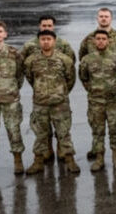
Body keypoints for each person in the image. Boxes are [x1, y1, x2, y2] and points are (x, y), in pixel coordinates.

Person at [23, 30, 77, 174]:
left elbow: (70, 78)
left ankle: (70, 160)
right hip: (40, 104)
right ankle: (38, 162)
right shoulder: (31, 60)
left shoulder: (65, 59)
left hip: (60, 104)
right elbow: (30, 78)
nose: (45, 42)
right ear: (39, 41)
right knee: (40, 134)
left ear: (54, 41)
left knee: (64, 133)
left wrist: (61, 92)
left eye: (48, 39)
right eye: (43, 39)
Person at [78, 30, 116, 171]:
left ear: (108, 41)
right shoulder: (87, 59)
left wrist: (114, 91)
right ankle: (99, 158)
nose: (100, 41)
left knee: (115, 129)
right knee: (98, 131)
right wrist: (93, 90)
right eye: (98, 39)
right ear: (94, 41)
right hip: (96, 102)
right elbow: (84, 77)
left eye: (103, 38)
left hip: (114, 102)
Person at [0, 21, 26, 174]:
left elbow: (20, 76)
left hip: (10, 100)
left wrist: (12, 90)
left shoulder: (14, 53)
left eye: (0, 31)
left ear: (5, 34)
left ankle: (18, 160)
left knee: (14, 130)